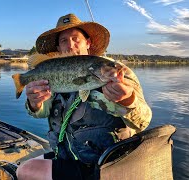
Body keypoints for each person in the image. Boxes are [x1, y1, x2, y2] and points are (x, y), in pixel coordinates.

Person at [16, 13, 152, 180]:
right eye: (64, 41)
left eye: (76, 39)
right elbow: (43, 111)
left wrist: (127, 100)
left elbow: (144, 122)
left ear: (88, 43)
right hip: (68, 157)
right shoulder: (53, 72)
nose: (70, 45)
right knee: (21, 166)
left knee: (26, 172)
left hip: (106, 167)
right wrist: (34, 103)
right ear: (58, 49)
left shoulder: (117, 73)